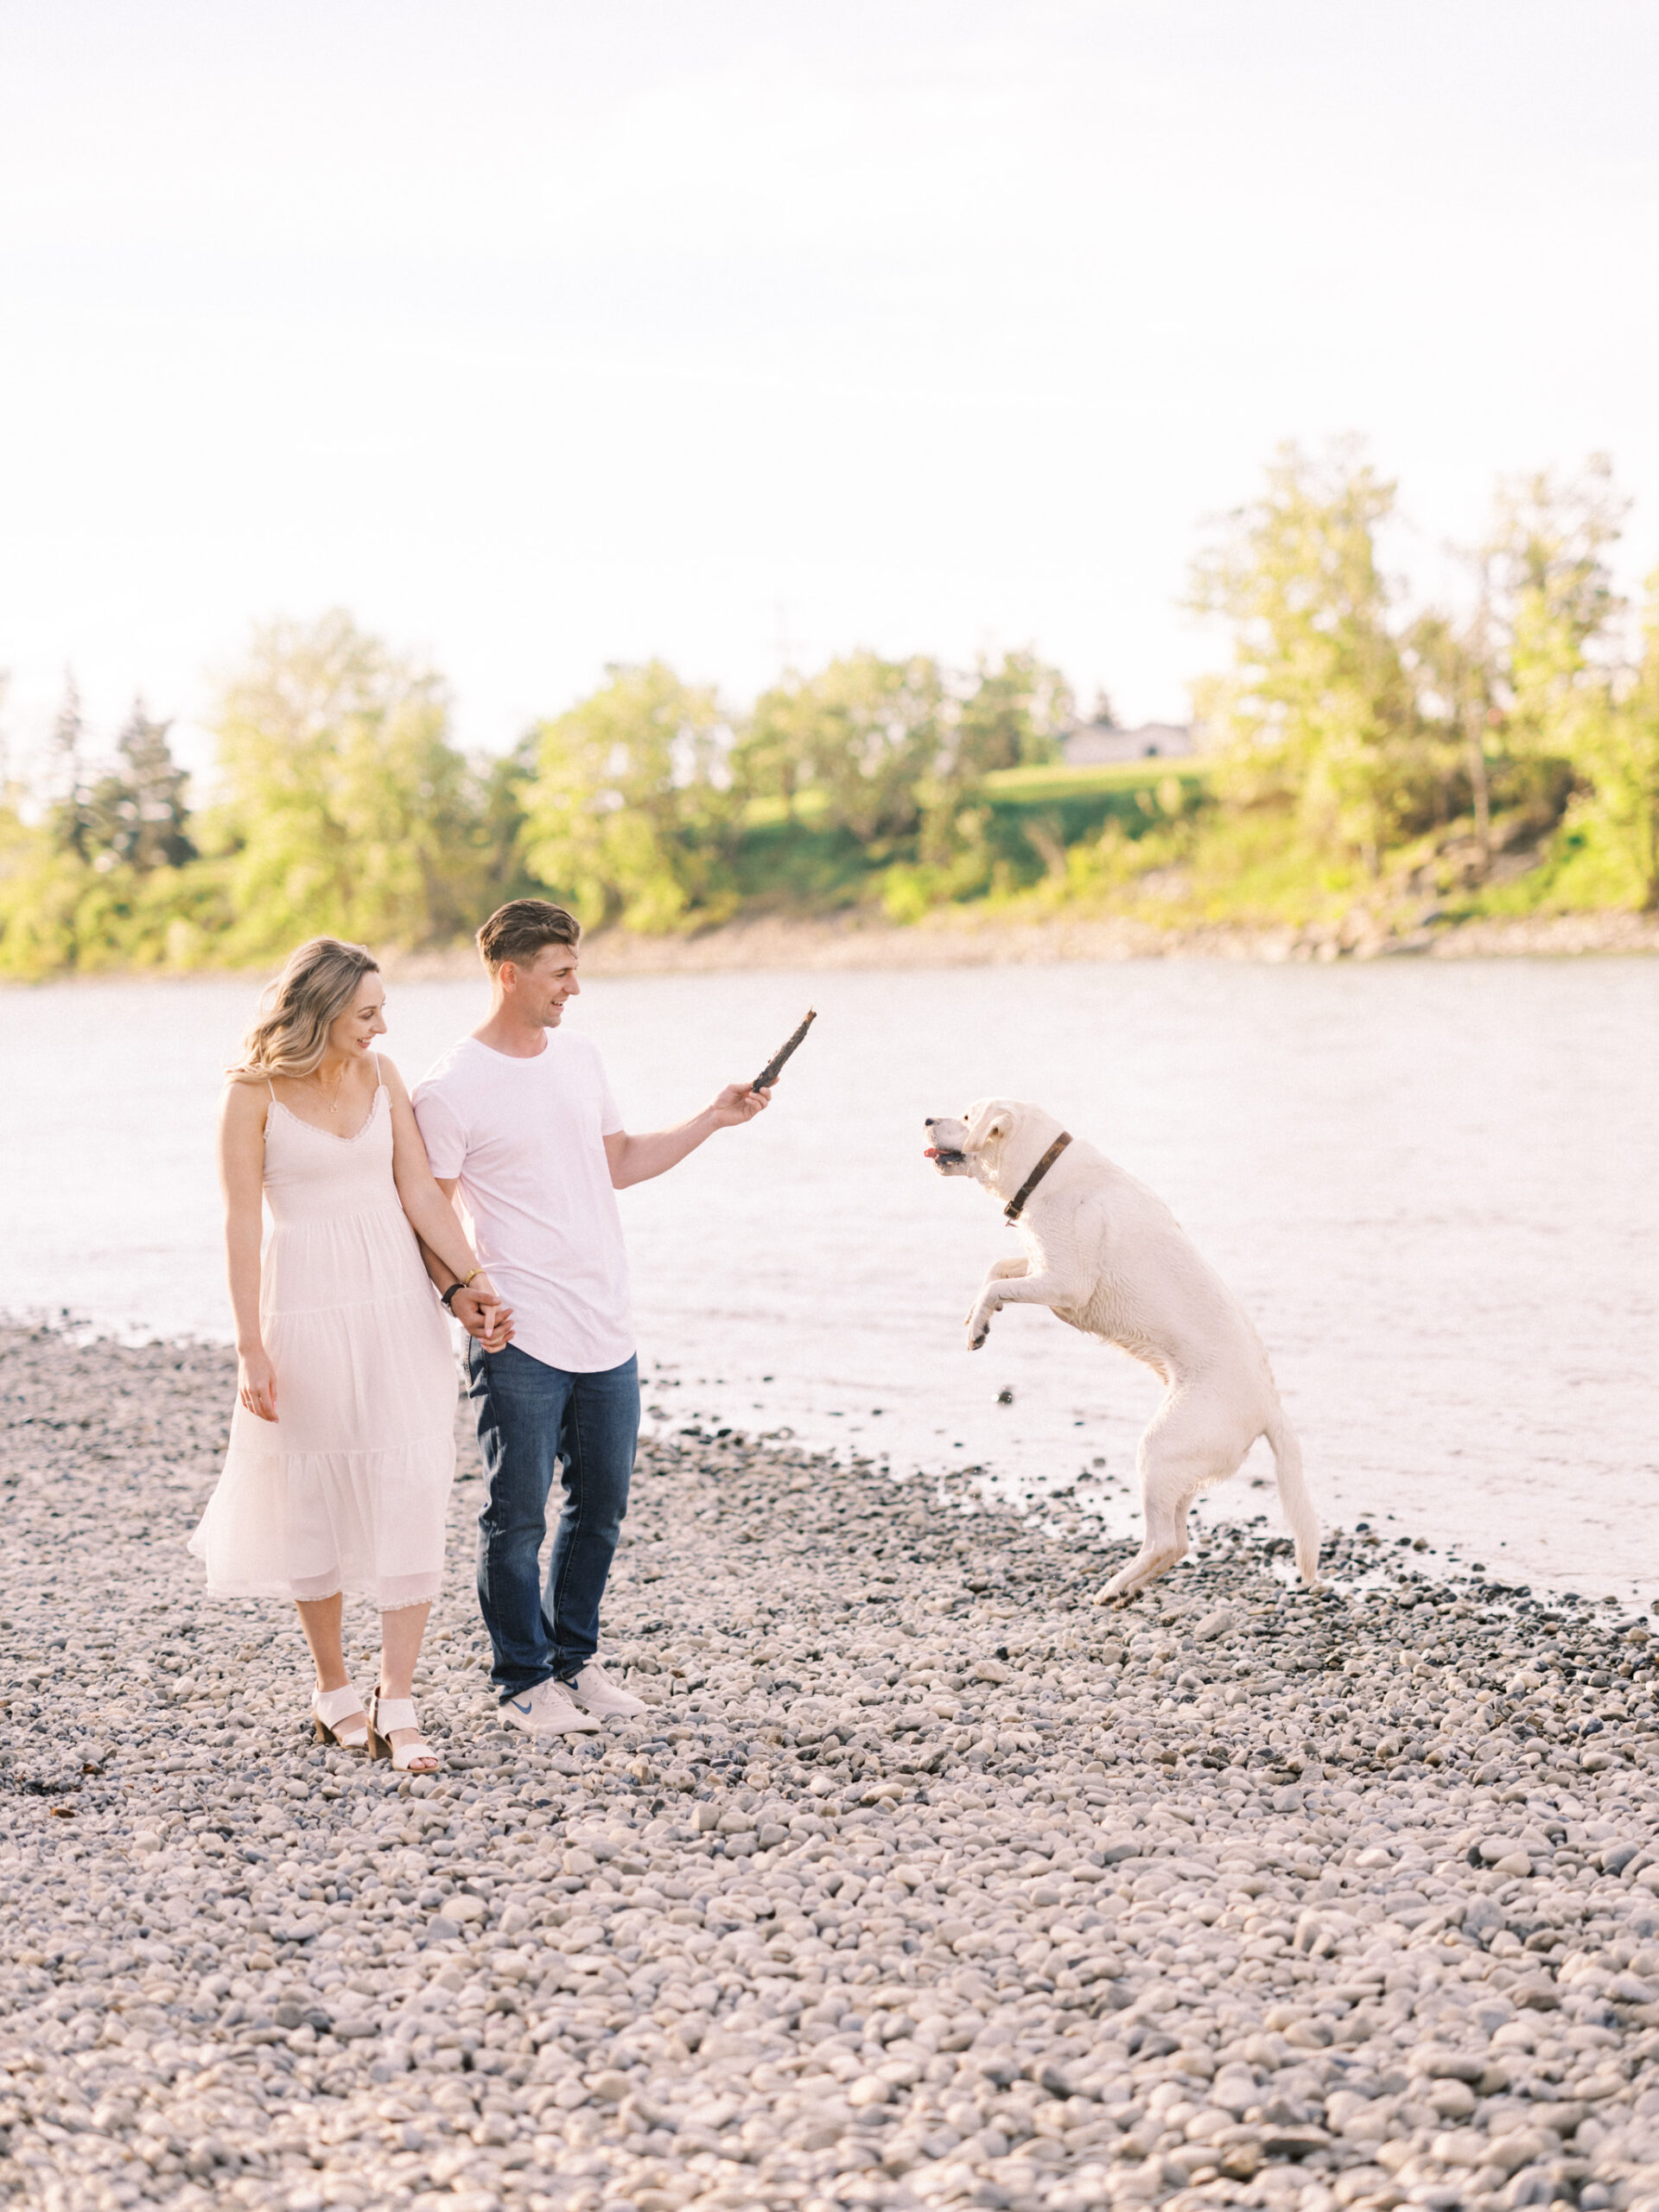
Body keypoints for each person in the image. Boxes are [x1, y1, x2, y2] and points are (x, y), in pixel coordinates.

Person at [411, 899, 771, 1737]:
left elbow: (616, 1162)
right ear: (512, 973)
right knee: (517, 1513)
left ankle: (574, 1660)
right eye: (561, 971)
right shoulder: (450, 1086)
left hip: (606, 1320)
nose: (576, 986)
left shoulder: (579, 1057)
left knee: (600, 1504)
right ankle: (523, 1678)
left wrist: (712, 1119)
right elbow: (428, 1212)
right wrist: (461, 1294)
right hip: (519, 1331)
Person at [191, 937, 512, 1772]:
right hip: (302, 1308)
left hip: (398, 1307)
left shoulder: (385, 1077)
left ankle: (396, 1699)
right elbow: (240, 1225)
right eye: (366, 1012)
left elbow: (417, 1192)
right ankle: (333, 1688)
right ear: (322, 1008)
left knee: (410, 1479)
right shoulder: (250, 1093)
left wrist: (470, 1281)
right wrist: (249, 1347)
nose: (380, 1026)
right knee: (315, 1496)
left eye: (381, 1011)